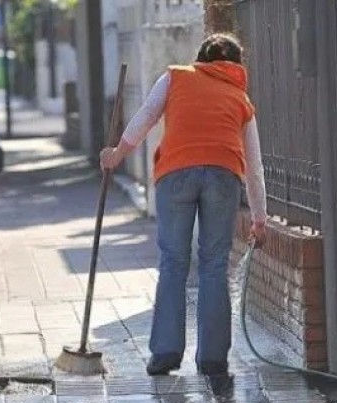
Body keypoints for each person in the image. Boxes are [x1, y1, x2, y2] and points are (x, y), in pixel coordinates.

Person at [100, 33, 267, 376]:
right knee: (214, 264)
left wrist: (117, 155)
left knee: (174, 261)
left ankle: (165, 354)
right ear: (236, 65)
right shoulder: (240, 98)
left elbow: (146, 116)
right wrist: (260, 217)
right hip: (224, 174)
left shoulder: (175, 76)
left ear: (201, 59)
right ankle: (212, 359)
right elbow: (254, 161)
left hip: (176, 172)